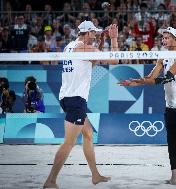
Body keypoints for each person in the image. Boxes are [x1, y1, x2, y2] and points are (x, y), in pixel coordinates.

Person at [118, 27, 176, 185]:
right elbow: (152, 77)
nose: (164, 40)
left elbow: (167, 78)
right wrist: (135, 82)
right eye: (163, 38)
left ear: (175, 39)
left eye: (167, 38)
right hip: (171, 103)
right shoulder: (163, 56)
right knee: (171, 139)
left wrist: (143, 81)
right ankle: (175, 175)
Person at [43, 20, 119, 188]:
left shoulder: (69, 46)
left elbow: (91, 63)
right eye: (94, 33)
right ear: (87, 33)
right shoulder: (85, 48)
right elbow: (114, 61)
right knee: (69, 143)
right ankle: (51, 180)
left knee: (88, 134)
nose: (96, 35)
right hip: (76, 100)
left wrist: (101, 41)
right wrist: (114, 39)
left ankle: (95, 175)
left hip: (66, 97)